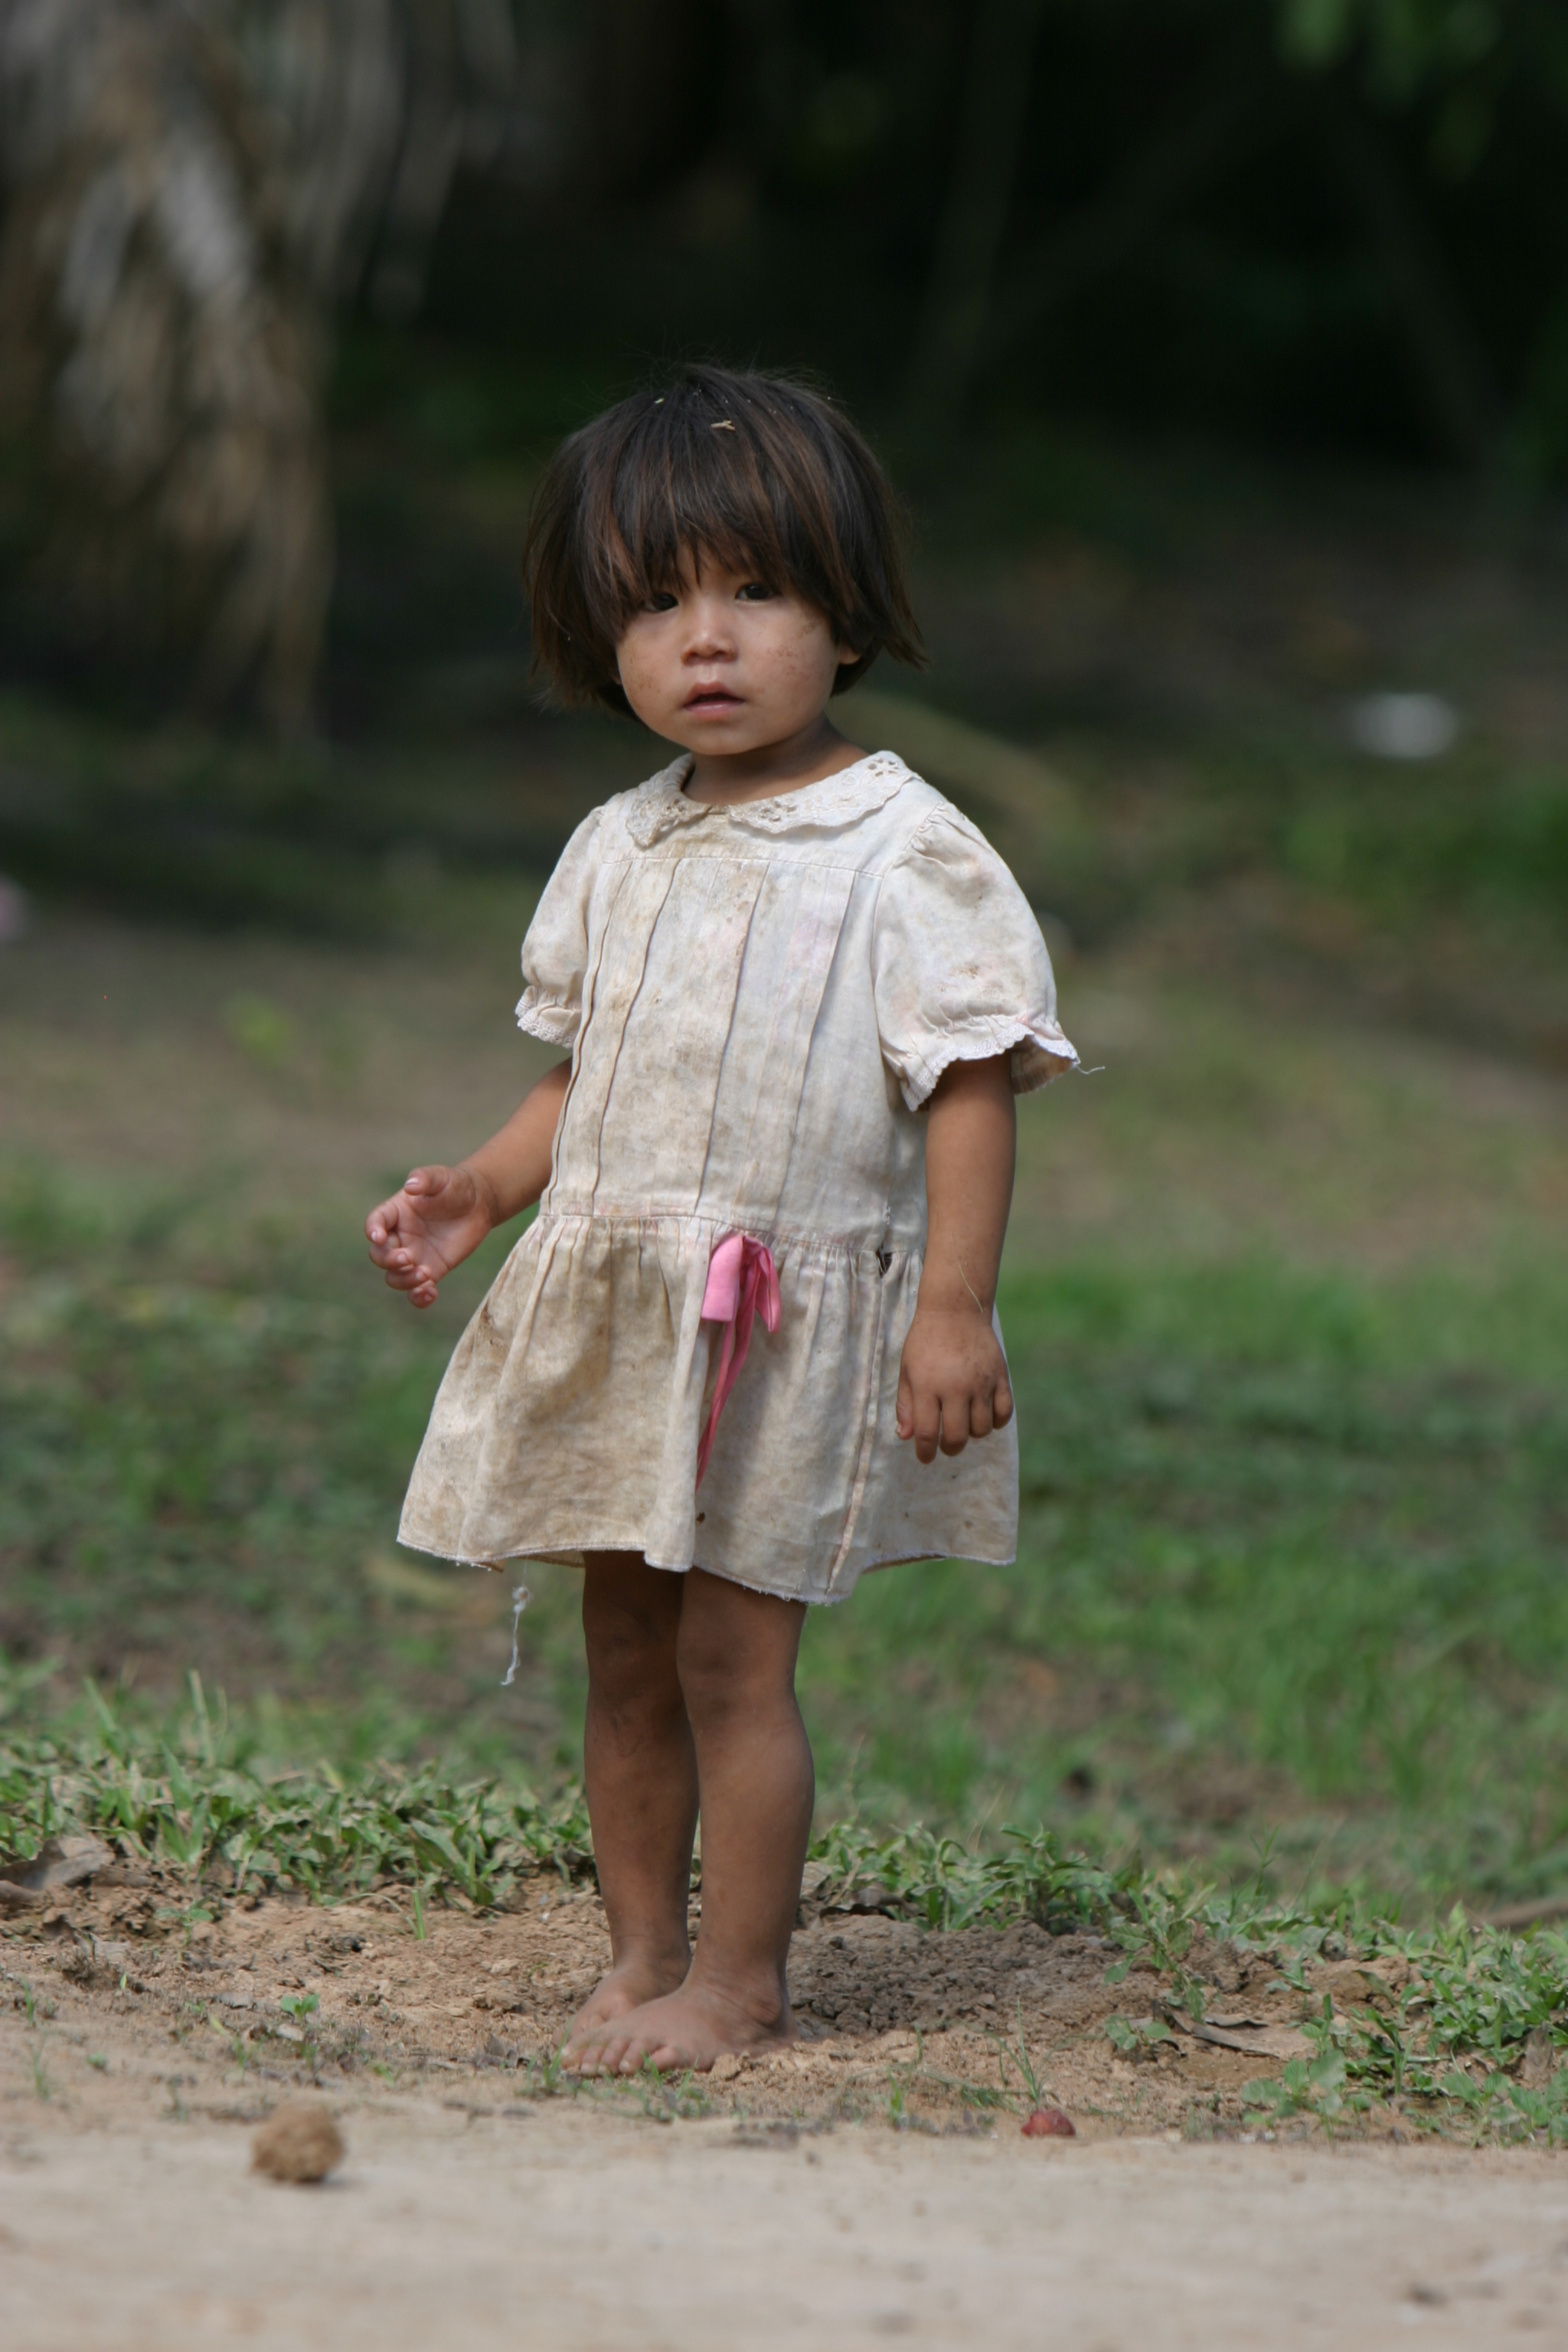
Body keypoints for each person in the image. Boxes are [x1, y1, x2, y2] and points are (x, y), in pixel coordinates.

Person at [364, 364, 1077, 2075]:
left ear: (844, 614)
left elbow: (968, 1080)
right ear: (593, 634)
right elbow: (578, 1079)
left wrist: (954, 1308)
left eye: (753, 590)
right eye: (656, 602)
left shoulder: (906, 849)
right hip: (622, 1305)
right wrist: (479, 1186)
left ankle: (742, 1986)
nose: (706, 638)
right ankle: (639, 1956)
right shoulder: (617, 846)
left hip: (778, 1319)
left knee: (733, 1660)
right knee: (623, 1647)